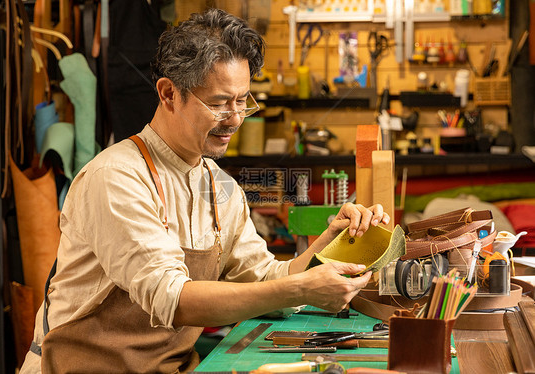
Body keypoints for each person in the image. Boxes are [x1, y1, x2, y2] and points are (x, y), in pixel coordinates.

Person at [20, 8, 389, 373]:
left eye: (243, 101)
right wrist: (302, 289)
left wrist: (327, 243)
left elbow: (262, 279)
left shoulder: (219, 186)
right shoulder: (116, 177)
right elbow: (173, 299)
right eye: (218, 103)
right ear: (168, 94)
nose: (234, 119)